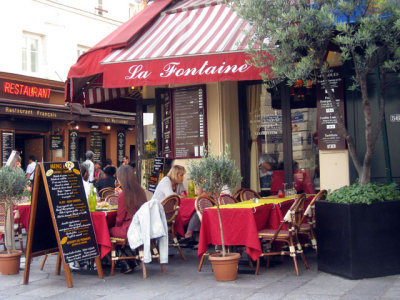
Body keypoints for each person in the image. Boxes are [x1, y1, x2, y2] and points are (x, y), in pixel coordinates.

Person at [110, 165, 147, 273]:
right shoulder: (140, 190)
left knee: (106, 231)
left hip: (129, 229)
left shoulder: (123, 194)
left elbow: (120, 219)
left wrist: (116, 227)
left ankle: (123, 263)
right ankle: (131, 260)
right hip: (140, 227)